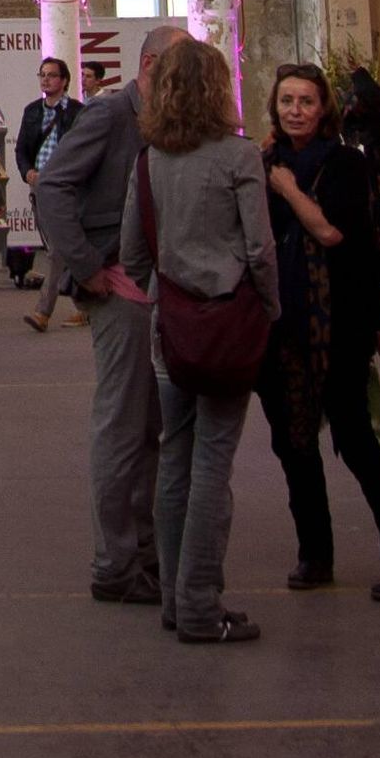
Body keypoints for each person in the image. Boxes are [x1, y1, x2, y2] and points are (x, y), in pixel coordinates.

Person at [258, 63, 380, 602]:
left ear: (323, 108)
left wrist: (287, 190)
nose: (295, 111)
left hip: (338, 325)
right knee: (294, 445)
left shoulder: (342, 166)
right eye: (286, 101)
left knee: (356, 441)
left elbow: (332, 232)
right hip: (283, 326)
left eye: (305, 101)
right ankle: (315, 554)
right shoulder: (267, 162)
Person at [134, 33, 277, 645]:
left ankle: (173, 598)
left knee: (175, 462)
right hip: (223, 327)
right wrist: (269, 308)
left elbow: (131, 253)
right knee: (213, 468)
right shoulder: (239, 158)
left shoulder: (150, 160)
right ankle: (199, 604)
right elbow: (260, 250)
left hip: (170, 330)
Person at [34, 23, 182, 606]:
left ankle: (141, 553)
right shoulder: (109, 115)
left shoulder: (163, 122)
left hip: (156, 287)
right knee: (123, 426)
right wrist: (88, 266)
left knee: (147, 427)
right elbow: (52, 189)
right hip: (118, 287)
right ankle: (115, 562)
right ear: (149, 66)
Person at [8, 55, 78, 292]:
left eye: (52, 75)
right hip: (39, 184)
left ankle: (56, 296)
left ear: (64, 80)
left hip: (66, 185)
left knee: (63, 241)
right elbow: (21, 149)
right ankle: (67, 287)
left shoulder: (77, 112)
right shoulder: (32, 111)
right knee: (51, 241)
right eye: (42, 75)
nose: (46, 80)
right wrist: (26, 171)